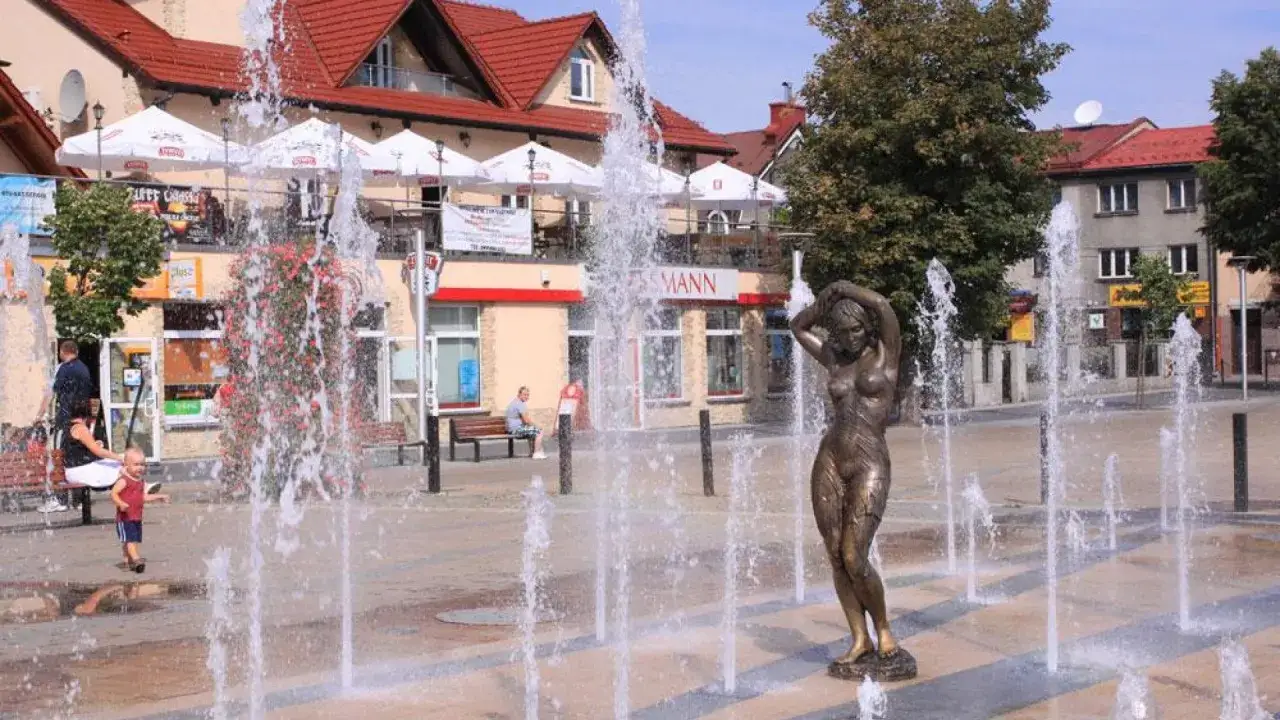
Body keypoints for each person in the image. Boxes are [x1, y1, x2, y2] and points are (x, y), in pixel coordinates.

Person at [790, 280, 914, 678]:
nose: (848, 339)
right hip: (830, 458)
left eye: (856, 331)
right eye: (841, 333)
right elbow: (796, 327)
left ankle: (883, 630)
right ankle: (859, 639)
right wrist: (823, 302)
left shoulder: (886, 357)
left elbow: (883, 305)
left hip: (870, 461)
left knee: (853, 555)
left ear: (868, 329)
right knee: (834, 554)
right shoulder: (834, 359)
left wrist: (845, 288)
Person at [33, 341, 94, 513]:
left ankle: (60, 500)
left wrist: (39, 415)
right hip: (81, 420)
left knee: (58, 457)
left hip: (65, 420)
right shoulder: (84, 369)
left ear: (63, 351)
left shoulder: (64, 368)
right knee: (76, 458)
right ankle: (78, 500)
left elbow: (50, 393)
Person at [62, 398, 160, 496]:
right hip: (81, 472)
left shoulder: (69, 426)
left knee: (117, 464)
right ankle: (140, 488)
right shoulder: (81, 428)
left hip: (73, 470)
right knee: (119, 464)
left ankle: (139, 487)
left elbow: (76, 448)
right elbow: (98, 452)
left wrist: (96, 444)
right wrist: (120, 458)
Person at [110, 447, 169, 574]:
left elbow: (143, 498)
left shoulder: (140, 482)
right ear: (126, 465)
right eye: (136, 464)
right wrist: (120, 503)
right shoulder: (124, 481)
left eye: (142, 464)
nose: (140, 468)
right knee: (130, 540)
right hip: (125, 517)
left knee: (132, 540)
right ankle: (137, 560)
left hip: (136, 516)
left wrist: (159, 496)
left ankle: (127, 560)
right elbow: (114, 493)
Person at [505, 386, 547, 460]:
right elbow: (526, 420)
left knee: (532, 431)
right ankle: (536, 453)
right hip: (516, 430)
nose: (526, 396)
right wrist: (537, 426)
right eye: (524, 394)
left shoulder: (514, 402)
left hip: (511, 429)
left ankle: (533, 452)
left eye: (527, 395)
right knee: (539, 431)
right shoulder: (520, 404)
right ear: (519, 394)